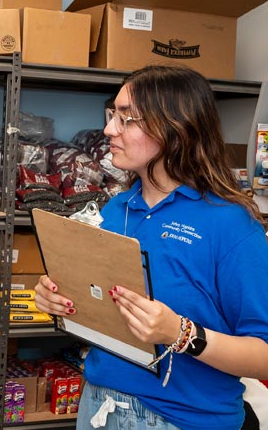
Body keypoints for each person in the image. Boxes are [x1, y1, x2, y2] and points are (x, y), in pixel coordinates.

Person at [34, 65, 268, 430]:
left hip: (182, 420)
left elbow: (264, 356)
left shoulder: (231, 225)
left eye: (127, 119)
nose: (109, 129)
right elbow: (101, 311)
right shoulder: (116, 209)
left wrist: (181, 333)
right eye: (113, 115)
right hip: (99, 404)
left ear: (174, 129)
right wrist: (59, 302)